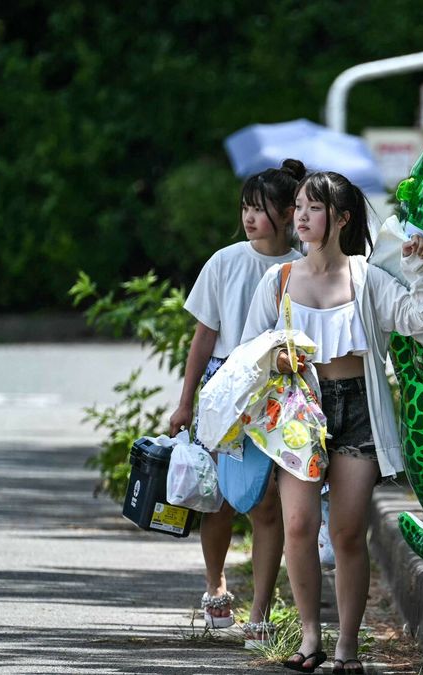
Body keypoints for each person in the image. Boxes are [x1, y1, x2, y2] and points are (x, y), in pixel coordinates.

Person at [240, 171, 423, 674]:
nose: (301, 217)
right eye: (300, 208)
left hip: (358, 411)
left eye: (314, 208)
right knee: (299, 526)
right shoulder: (280, 280)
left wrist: (419, 270)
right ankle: (310, 638)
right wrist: (276, 360)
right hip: (298, 413)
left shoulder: (367, 276)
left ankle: (347, 646)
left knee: (349, 532)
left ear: (342, 217)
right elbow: (249, 352)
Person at [167, 161, 306, 639]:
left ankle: (262, 611)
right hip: (224, 385)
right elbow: (203, 338)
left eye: (260, 209)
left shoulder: (304, 265)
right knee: (219, 498)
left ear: (289, 213)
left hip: (276, 390)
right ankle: (215, 585)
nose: (249, 218)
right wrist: (185, 403)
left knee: (267, 505)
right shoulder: (224, 262)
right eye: (245, 207)